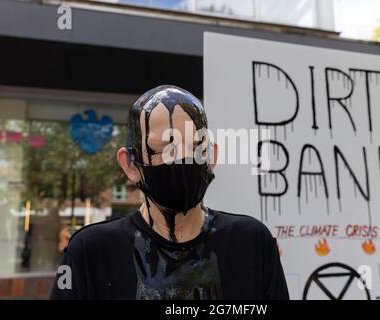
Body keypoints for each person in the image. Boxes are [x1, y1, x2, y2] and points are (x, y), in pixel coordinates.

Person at [50, 85, 289, 300]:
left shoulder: (251, 244)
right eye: (167, 148)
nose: (184, 159)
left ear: (211, 157)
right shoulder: (91, 253)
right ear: (131, 165)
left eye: (196, 148)